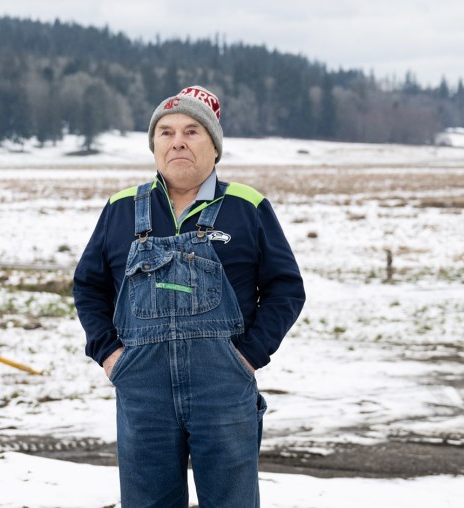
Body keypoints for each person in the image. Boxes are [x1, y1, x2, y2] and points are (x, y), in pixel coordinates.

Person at [73, 85, 305, 507]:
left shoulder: (246, 206)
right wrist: (109, 354)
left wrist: (248, 356)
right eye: (165, 132)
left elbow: (285, 288)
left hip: (223, 386)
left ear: (214, 147)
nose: (177, 140)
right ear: (154, 146)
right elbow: (89, 286)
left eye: (192, 131)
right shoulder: (121, 208)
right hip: (143, 388)